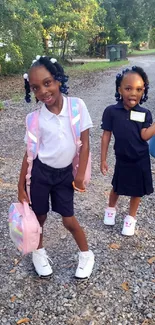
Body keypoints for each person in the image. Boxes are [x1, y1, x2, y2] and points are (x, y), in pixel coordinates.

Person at [18, 55, 94, 278]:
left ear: (59, 79)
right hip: (41, 174)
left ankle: (86, 254)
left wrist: (79, 175)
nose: (42, 91)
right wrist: (20, 185)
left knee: (68, 219)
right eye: (35, 87)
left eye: (47, 82)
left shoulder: (77, 107)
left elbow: (86, 142)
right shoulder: (35, 119)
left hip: (64, 176)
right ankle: (38, 252)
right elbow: (29, 154)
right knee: (38, 217)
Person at [100, 66, 155, 236]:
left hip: (140, 159)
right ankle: (110, 209)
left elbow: (145, 136)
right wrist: (103, 159)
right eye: (128, 88)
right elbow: (106, 136)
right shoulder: (111, 112)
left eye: (138, 89)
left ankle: (130, 219)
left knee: (137, 191)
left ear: (143, 91)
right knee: (117, 186)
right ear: (120, 90)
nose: (133, 93)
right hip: (122, 159)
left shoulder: (145, 113)